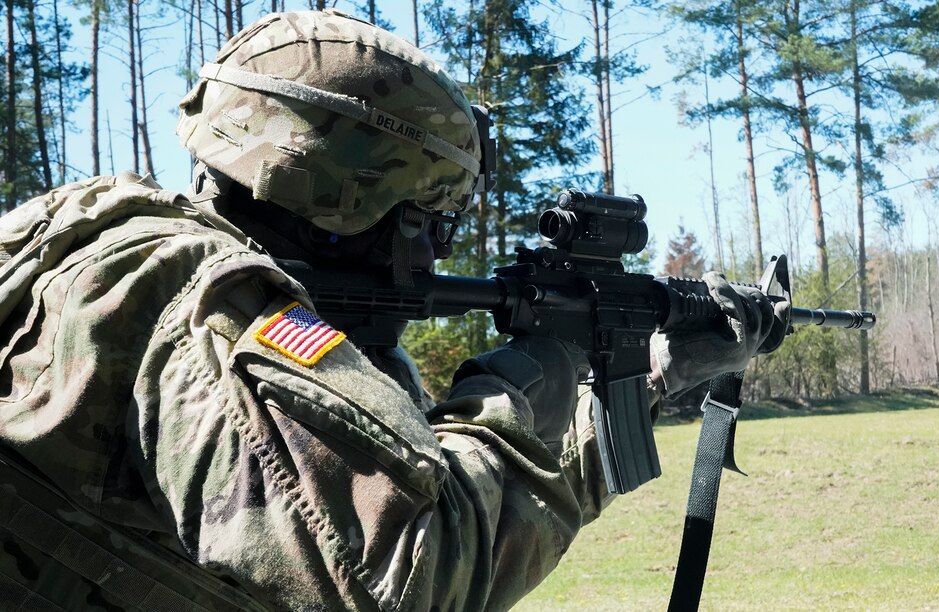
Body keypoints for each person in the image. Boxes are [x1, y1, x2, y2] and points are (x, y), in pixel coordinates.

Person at [0, 10, 785, 611]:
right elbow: (417, 570)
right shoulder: (209, 307)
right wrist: (532, 374)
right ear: (366, 199)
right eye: (433, 223)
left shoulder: (108, 252)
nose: (431, 260)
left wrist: (640, 382)